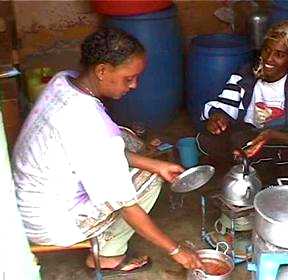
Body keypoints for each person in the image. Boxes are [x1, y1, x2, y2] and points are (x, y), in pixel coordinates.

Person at [12, 27, 202, 273]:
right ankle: (110, 256)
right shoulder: (93, 126)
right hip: (51, 223)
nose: (134, 85)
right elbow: (127, 206)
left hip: (25, 202)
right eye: (128, 78)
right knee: (149, 181)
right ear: (102, 70)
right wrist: (177, 251)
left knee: (126, 138)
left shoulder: (63, 81)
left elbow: (96, 151)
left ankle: (150, 167)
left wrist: (157, 163)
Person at [197, 21, 288, 181]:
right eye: (267, 50)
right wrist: (218, 119)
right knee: (205, 139)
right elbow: (227, 104)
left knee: (242, 145)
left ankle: (250, 175)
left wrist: (271, 134)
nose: (269, 59)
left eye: (279, 55)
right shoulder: (249, 72)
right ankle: (243, 168)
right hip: (252, 135)